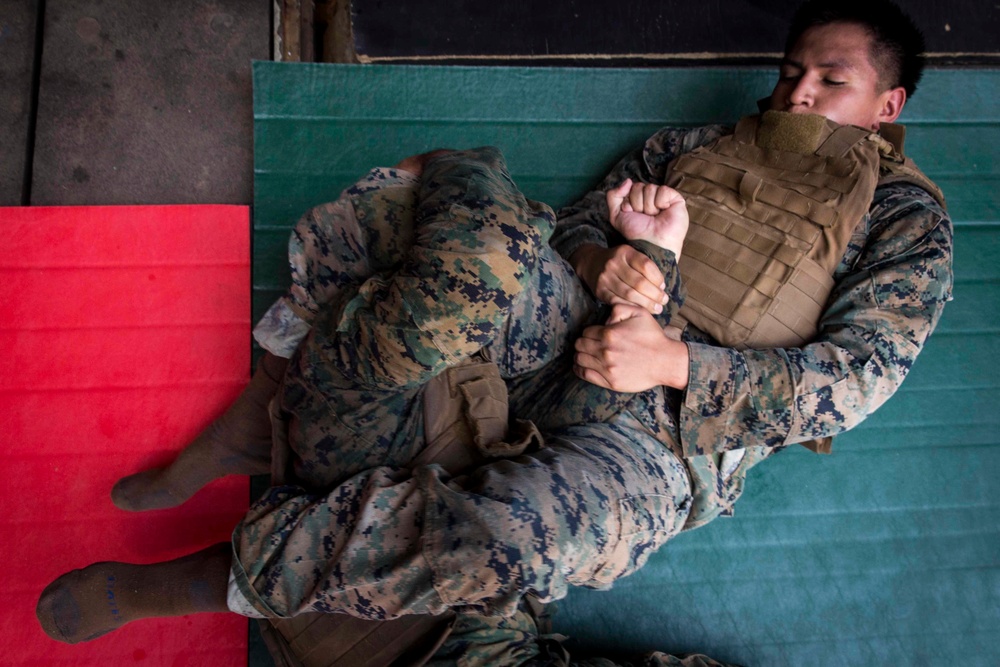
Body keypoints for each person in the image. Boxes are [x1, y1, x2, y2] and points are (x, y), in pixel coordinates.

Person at [37, 1, 952, 663]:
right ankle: (271, 389)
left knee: (522, 540)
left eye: (833, 81)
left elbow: (857, 375)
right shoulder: (698, 145)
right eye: (793, 71)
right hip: (574, 329)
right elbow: (581, 222)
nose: (798, 94)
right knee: (451, 230)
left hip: (667, 438)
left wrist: (674, 360)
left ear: (888, 105)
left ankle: (235, 575)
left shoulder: (904, 218)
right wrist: (608, 264)